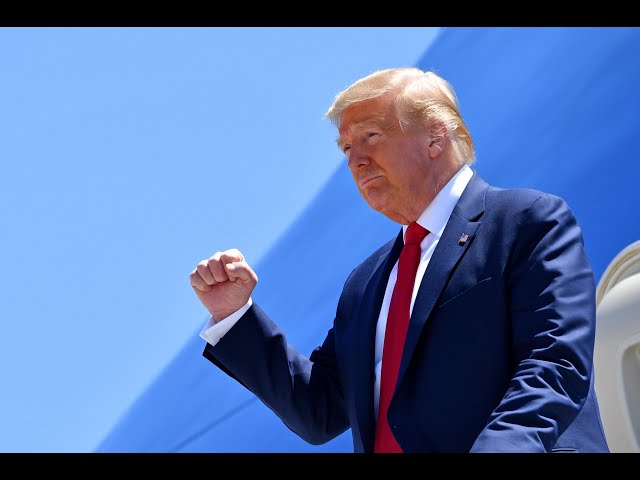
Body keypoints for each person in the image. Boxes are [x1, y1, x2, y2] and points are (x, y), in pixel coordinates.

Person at [189, 67, 610, 453]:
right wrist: (234, 315)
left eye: (371, 135)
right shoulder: (365, 283)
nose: (355, 160)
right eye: (346, 147)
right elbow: (319, 411)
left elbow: (554, 363)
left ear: (435, 136)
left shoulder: (525, 220)